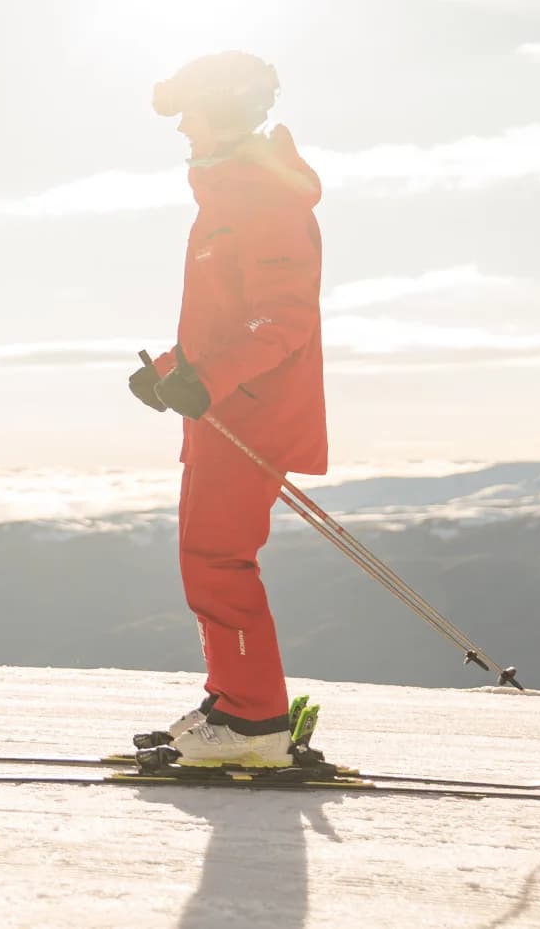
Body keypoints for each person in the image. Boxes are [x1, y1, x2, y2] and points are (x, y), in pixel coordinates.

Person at [127, 52, 327, 767]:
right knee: (205, 559)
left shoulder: (264, 198)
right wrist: (174, 374)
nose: (182, 124)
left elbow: (280, 320)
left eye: (191, 108)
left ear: (228, 110)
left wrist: (207, 380)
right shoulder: (230, 196)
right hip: (222, 409)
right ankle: (236, 701)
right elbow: (230, 323)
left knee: (219, 558)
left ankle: (254, 724)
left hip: (249, 414)